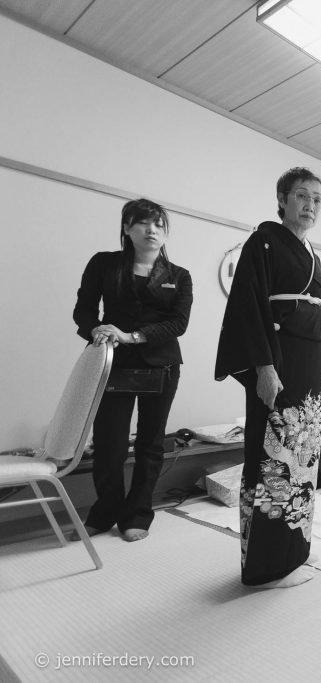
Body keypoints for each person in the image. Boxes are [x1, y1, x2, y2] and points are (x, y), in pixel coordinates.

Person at [215, 167, 321, 589]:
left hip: (307, 369)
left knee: (303, 461)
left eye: (318, 199)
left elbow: (318, 311)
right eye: (302, 195)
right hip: (280, 366)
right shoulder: (264, 241)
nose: (310, 204)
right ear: (282, 199)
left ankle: (295, 548)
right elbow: (248, 308)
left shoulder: (313, 254)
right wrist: (263, 366)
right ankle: (267, 566)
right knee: (273, 461)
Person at [73, 198, 193, 542]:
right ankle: (105, 510)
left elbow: (178, 324)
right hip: (111, 363)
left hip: (163, 366)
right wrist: (95, 330)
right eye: (143, 223)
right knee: (109, 444)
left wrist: (133, 336)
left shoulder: (179, 276)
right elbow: (83, 311)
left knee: (150, 443)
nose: (152, 230)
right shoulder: (104, 264)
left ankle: (137, 513)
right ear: (127, 228)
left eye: (159, 225)